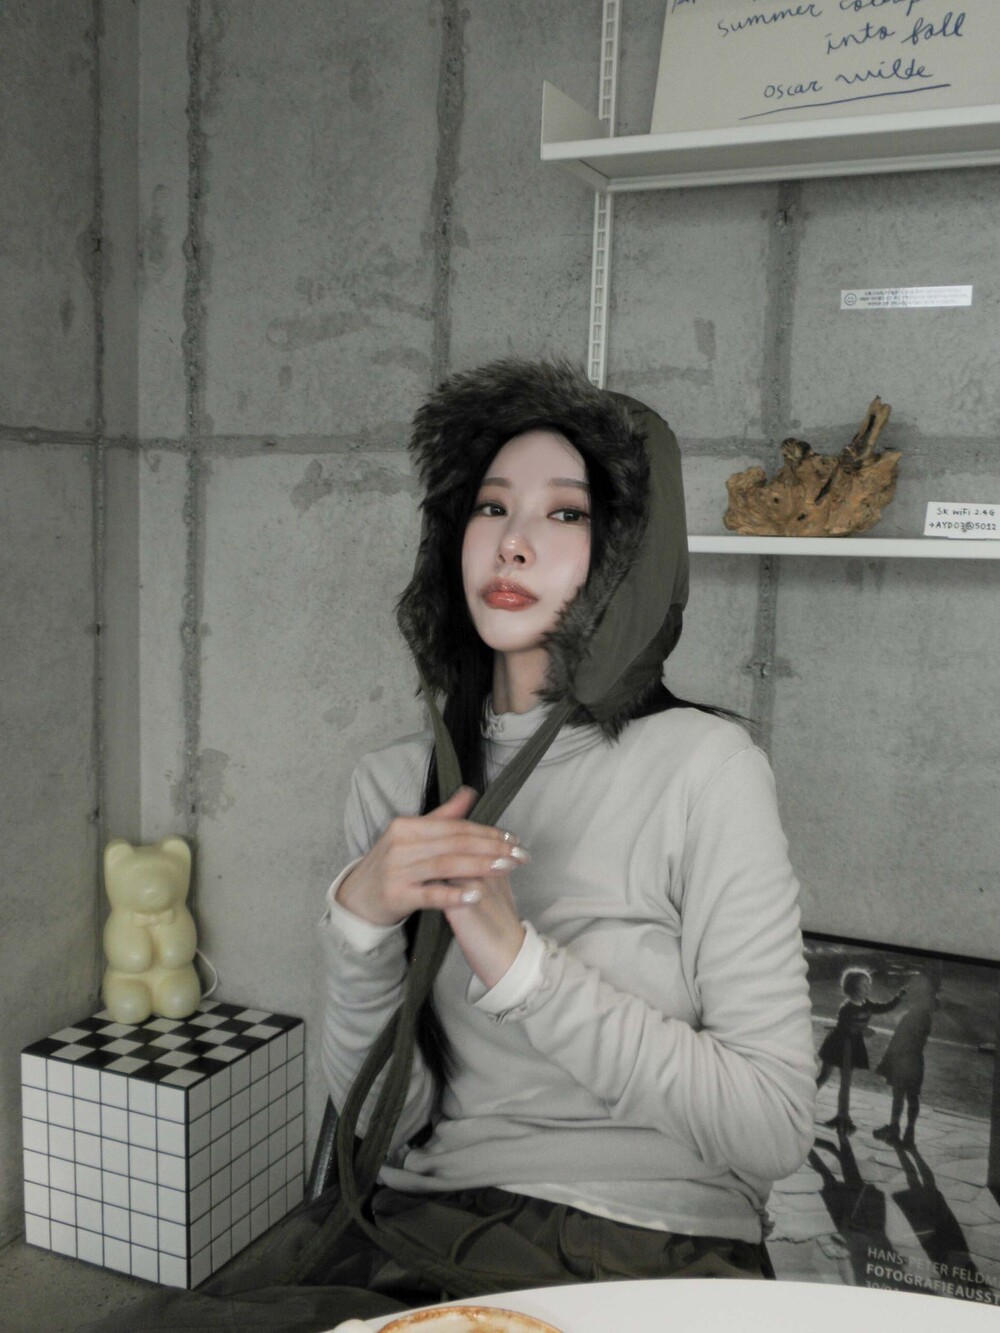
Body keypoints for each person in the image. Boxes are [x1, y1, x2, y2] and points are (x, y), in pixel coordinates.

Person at [82, 359, 816, 1331]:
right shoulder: (395, 784)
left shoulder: (705, 767)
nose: (512, 541)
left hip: (647, 1242)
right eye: (490, 506)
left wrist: (524, 968)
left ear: (629, 553)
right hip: (418, 1226)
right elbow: (391, 1117)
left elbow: (772, 1126)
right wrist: (355, 929)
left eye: (565, 512)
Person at [816, 968, 904, 1134]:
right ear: (852, 988)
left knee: (846, 1083)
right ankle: (804, 1100)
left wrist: (898, 998)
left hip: (851, 1047)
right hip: (837, 1045)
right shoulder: (846, 1008)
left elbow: (884, 1008)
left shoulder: (867, 1004)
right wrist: (864, 1030)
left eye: (868, 985)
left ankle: (842, 1117)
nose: (867, 988)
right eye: (864, 985)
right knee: (824, 1076)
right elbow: (844, 1028)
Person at [872, 972, 937, 1148]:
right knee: (912, 1097)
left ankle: (894, 1130)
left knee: (899, 1097)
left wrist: (888, 1062)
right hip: (916, 1061)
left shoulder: (914, 1015)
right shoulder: (925, 1015)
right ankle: (909, 1132)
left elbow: (900, 1041)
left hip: (903, 1061)